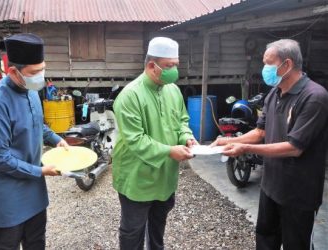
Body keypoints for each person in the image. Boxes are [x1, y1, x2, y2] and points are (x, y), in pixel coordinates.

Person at [212, 39, 328, 250]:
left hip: (299, 193)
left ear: (287, 64)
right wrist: (229, 140)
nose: (264, 69)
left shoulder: (315, 97)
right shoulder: (274, 92)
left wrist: (245, 148)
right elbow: (260, 132)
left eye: (269, 63)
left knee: (296, 244)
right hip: (271, 185)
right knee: (265, 238)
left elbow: (294, 147)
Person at [0, 33, 68, 250]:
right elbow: (0, 159)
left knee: (36, 242)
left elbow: (37, 123)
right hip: (6, 193)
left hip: (34, 189)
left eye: (43, 69)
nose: (41, 76)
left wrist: (56, 139)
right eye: (34, 72)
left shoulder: (31, 91)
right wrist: (41, 171)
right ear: (13, 72)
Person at [112, 37, 197, 250]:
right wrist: (170, 151)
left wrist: (186, 137)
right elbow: (136, 140)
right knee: (133, 230)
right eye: (169, 66)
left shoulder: (173, 90)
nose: (175, 71)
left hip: (165, 176)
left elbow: (182, 121)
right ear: (152, 66)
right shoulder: (130, 96)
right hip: (137, 176)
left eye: (176, 65)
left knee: (158, 225)